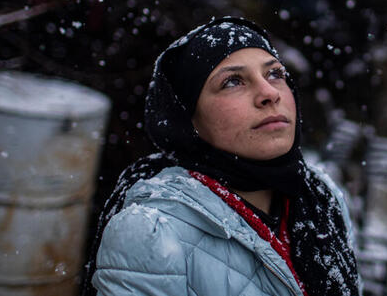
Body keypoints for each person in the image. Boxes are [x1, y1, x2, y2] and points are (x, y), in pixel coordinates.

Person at [86, 16, 361, 296]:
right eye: (232, 81)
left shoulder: (319, 199)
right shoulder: (152, 229)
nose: (269, 93)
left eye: (275, 74)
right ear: (187, 120)